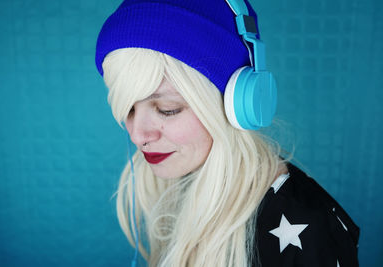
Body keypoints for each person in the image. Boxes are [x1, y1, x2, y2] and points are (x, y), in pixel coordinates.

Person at [95, 0, 360, 266]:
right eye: (128, 109)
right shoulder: (182, 180)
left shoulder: (310, 230)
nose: (137, 135)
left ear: (236, 102)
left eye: (167, 109)